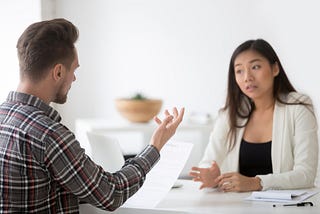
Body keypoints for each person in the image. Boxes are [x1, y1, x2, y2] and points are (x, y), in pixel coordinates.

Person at [0, 18, 184, 213]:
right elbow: (111, 194)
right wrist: (155, 146)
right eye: (74, 69)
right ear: (59, 72)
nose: (75, 78)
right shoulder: (48, 135)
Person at [189, 39, 318, 192]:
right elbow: (208, 163)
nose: (247, 77)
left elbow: (305, 174)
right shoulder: (230, 114)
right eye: (239, 71)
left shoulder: (298, 106)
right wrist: (211, 176)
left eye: (255, 67)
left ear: (275, 68)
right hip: (237, 206)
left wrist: (256, 183)